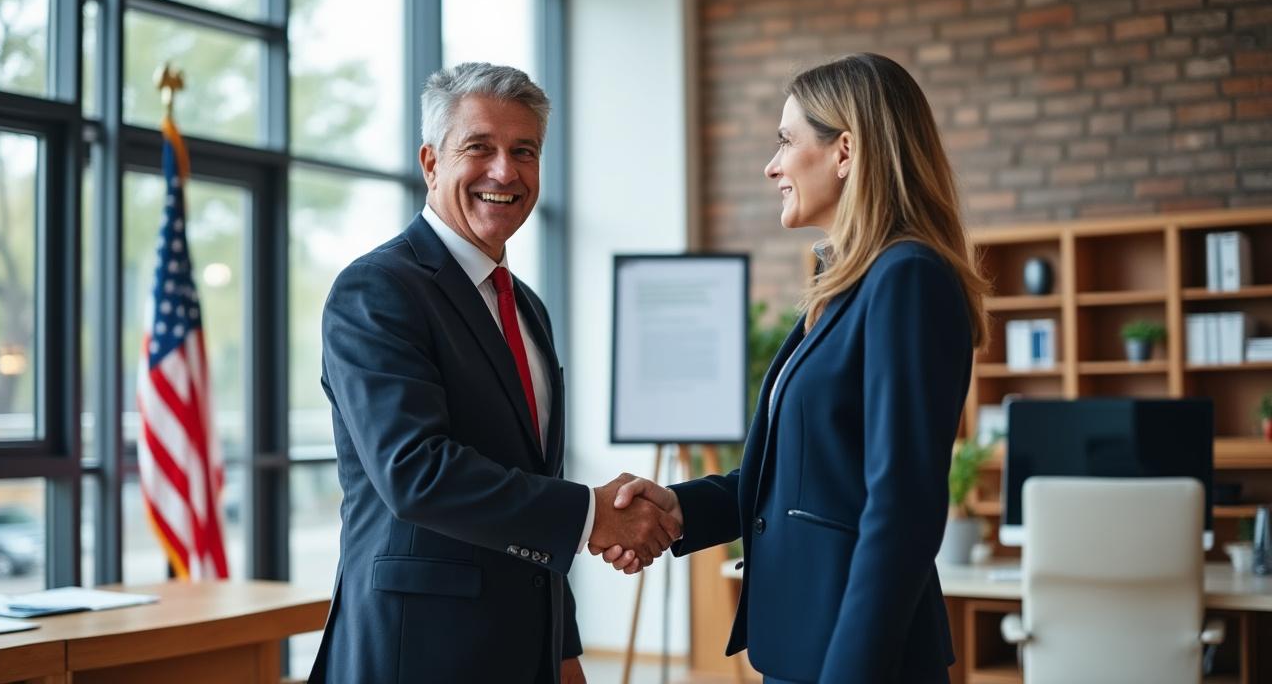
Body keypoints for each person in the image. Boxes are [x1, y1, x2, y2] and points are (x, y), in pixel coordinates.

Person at [600, 53, 989, 683]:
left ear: (845, 151)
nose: (772, 165)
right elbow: (802, 481)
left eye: (785, 140)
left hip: (857, 660)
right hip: (804, 649)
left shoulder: (907, 278)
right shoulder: (846, 284)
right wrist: (678, 507)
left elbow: (903, 510)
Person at [311, 62, 680, 684]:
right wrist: (593, 515)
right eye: (479, 147)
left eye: (524, 151)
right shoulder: (377, 289)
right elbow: (416, 473)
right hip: (417, 652)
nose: (505, 172)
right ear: (431, 163)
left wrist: (562, 646)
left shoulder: (526, 306)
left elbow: (534, 479)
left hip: (524, 648)